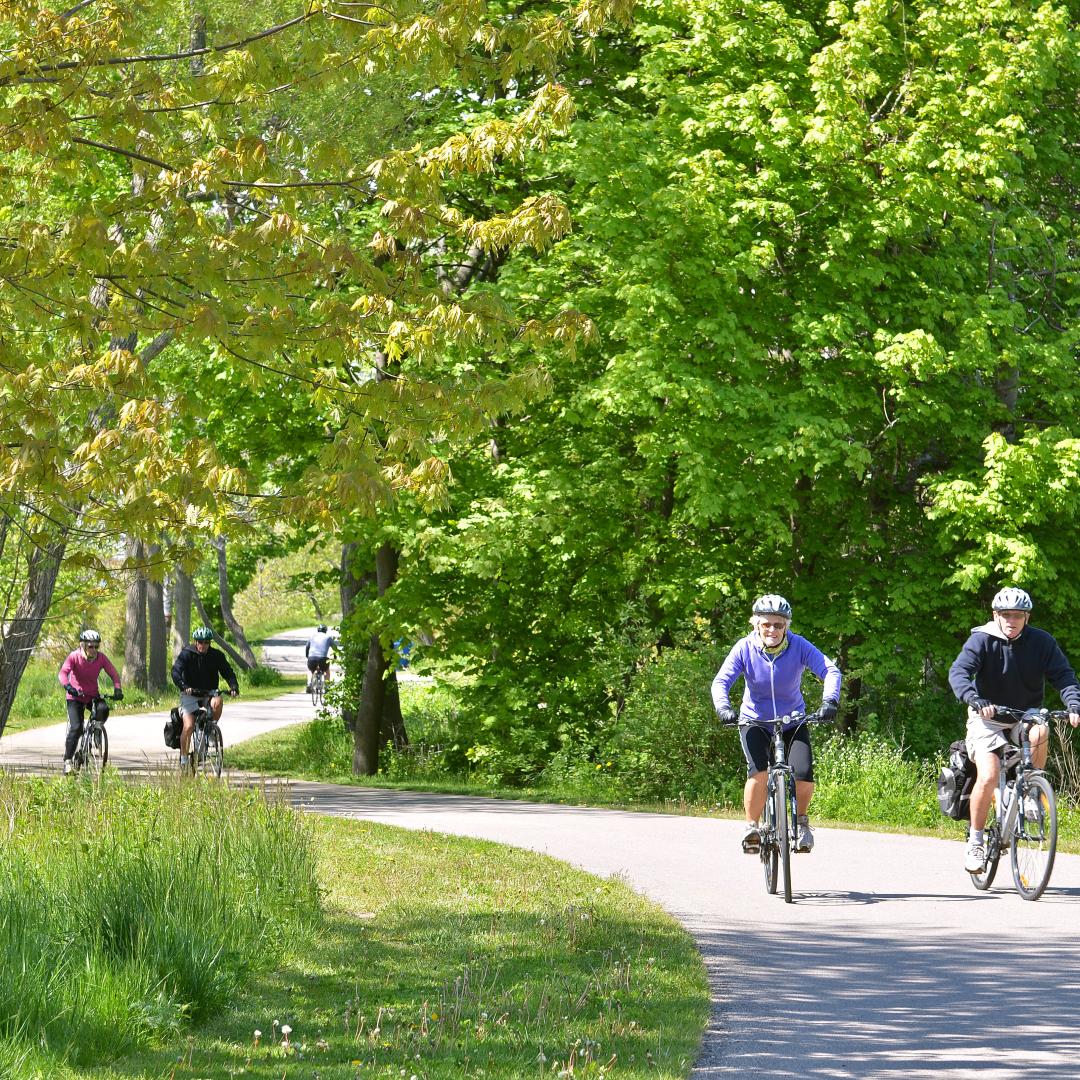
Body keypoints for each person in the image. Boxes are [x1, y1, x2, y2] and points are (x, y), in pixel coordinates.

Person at [948, 587, 1080, 873]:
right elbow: (958, 673)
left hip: (1024, 715)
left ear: (1026, 617)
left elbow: (1064, 676)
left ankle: (1031, 793)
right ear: (996, 615)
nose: (1011, 620)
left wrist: (1073, 705)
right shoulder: (982, 640)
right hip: (988, 717)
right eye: (1005, 614)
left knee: (1041, 731)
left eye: (1017, 615)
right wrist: (974, 698)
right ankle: (976, 840)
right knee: (990, 773)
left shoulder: (1041, 642)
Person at [712, 595, 842, 855]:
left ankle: (802, 823)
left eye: (779, 625)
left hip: (792, 720)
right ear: (756, 625)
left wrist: (830, 701)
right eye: (766, 624)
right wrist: (723, 707)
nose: (772, 630)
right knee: (759, 771)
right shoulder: (744, 648)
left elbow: (831, 671)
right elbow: (721, 682)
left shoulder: (799, 646)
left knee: (803, 774)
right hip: (754, 720)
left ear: (787, 627)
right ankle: (751, 827)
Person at [171, 626, 239, 771]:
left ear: (210, 643)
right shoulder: (187, 654)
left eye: (206, 642)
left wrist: (233, 686)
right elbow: (176, 671)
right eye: (200, 642)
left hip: (209, 693)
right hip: (190, 694)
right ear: (196, 642)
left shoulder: (216, 655)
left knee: (218, 700)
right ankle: (184, 760)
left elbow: (228, 672)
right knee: (188, 726)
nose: (203, 645)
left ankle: (210, 729)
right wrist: (183, 685)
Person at [58, 629, 123, 774]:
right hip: (75, 697)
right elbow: (63, 673)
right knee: (76, 728)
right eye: (90, 646)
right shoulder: (74, 657)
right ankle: (68, 761)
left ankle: (96, 729)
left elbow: (113, 673)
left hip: (92, 695)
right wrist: (68, 686)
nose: (94, 650)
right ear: (82, 645)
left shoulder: (101, 658)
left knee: (103, 709)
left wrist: (117, 689)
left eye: (96, 646)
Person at [305, 624, 337, 691]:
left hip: (312, 658)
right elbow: (335, 648)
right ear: (325, 630)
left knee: (311, 670)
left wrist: (307, 656)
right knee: (326, 671)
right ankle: (327, 687)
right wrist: (335, 656)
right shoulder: (328, 637)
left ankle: (309, 683)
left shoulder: (312, 636)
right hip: (323, 658)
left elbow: (307, 647)